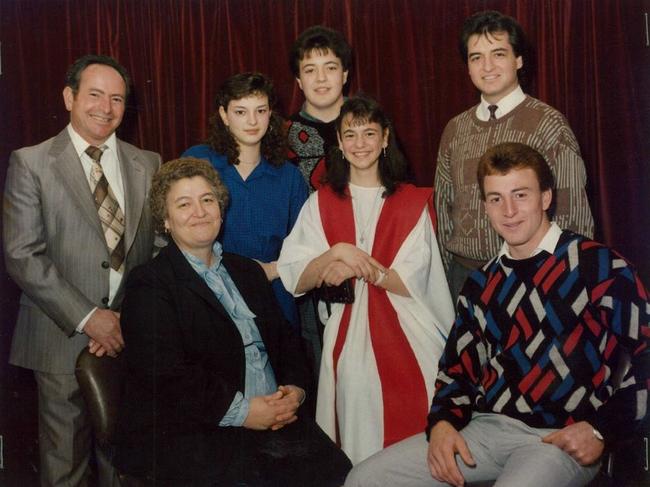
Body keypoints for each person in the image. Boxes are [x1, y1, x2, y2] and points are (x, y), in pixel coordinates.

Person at [345, 142, 650, 487]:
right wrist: (443, 424)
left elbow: (645, 357)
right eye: (495, 198)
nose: (509, 211)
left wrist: (600, 428)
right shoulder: (481, 283)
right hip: (487, 430)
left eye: (521, 195)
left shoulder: (600, 266)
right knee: (365, 478)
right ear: (485, 206)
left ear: (546, 197)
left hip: (560, 437)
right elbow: (455, 370)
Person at [113, 158, 351, 486]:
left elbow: (286, 341)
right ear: (165, 220)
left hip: (278, 425)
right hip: (203, 435)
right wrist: (245, 412)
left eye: (207, 200)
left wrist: (295, 392)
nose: (199, 211)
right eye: (184, 204)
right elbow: (166, 375)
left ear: (221, 209)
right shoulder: (150, 283)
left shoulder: (246, 272)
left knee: (346, 474)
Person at [3, 54, 161, 486]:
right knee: (65, 465)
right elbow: (22, 254)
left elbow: (158, 251)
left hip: (130, 336)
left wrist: (133, 318)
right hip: (59, 338)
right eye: (94, 95)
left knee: (126, 463)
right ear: (69, 97)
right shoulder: (32, 162)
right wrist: (92, 318)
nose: (105, 108)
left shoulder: (148, 163)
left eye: (117, 99)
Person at [278, 95, 455, 465]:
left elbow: (413, 280)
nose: (360, 144)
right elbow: (296, 275)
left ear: (385, 138)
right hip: (347, 336)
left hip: (410, 330)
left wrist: (359, 266)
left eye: (369, 133)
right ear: (339, 143)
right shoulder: (321, 202)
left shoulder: (411, 201)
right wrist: (337, 252)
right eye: (351, 135)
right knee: (358, 435)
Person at [434, 10, 594, 302]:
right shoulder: (454, 130)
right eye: (476, 57)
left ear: (518, 59)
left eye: (498, 54)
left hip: (534, 278)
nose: (487, 66)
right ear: (467, 66)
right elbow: (443, 213)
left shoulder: (549, 124)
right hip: (465, 279)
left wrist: (563, 288)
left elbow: (576, 217)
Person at [183, 72, 308, 329]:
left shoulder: (289, 177)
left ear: (270, 114)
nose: (252, 121)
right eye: (241, 112)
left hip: (272, 299)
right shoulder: (198, 162)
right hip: (210, 300)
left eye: (260, 110)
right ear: (224, 115)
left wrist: (271, 271)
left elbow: (304, 247)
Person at [287, 25, 352, 191]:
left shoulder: (373, 124)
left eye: (330, 68)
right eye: (310, 70)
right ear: (299, 81)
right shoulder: (283, 135)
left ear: (344, 75)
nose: (321, 78)